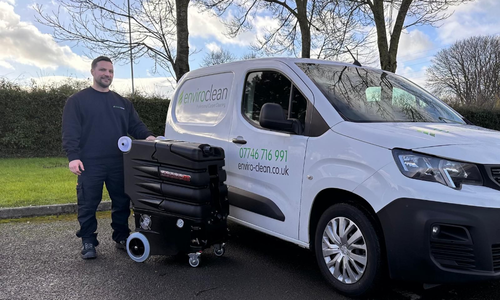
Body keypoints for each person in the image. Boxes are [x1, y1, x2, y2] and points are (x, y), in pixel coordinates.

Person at [62, 56, 155, 259]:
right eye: (103, 70)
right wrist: (73, 157)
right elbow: (71, 132)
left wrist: (148, 137)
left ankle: (121, 237)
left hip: (118, 162)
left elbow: (136, 126)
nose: (107, 74)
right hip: (89, 163)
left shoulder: (122, 103)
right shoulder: (77, 101)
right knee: (88, 204)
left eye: (111, 71)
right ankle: (88, 241)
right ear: (93, 72)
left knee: (122, 201)